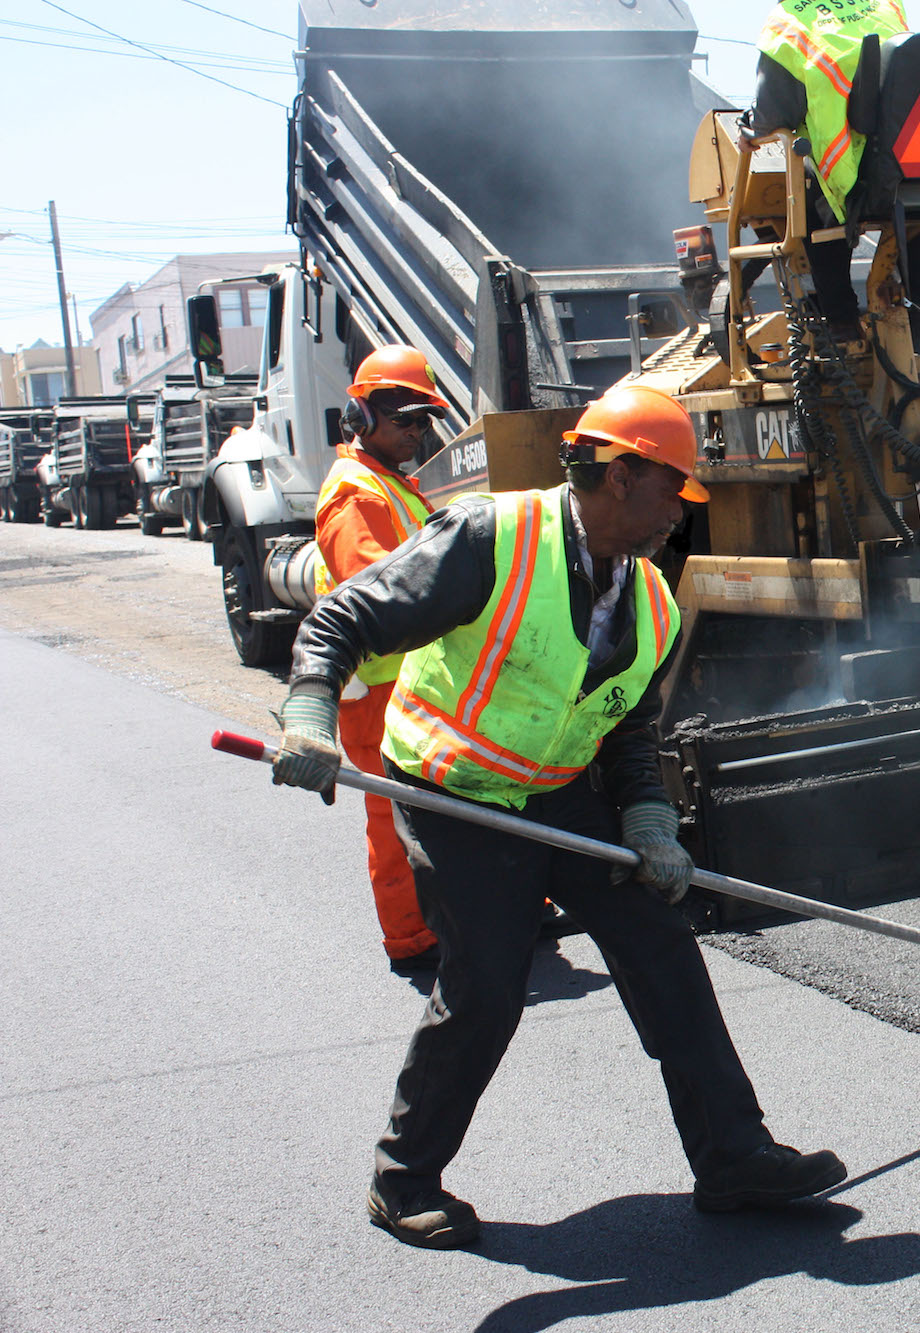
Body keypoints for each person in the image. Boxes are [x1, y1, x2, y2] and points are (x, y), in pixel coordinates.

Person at [270, 379, 845, 1248]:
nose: (679, 513)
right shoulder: (491, 538)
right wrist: (310, 712)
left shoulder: (650, 599)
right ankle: (404, 1176)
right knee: (488, 985)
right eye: (671, 491)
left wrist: (649, 820)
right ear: (619, 474)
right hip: (453, 788)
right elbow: (342, 619)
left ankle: (734, 1155)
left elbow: (627, 729)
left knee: (661, 943)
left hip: (561, 791)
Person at [315, 346, 444, 974]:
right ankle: (412, 940)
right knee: (394, 823)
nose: (418, 433)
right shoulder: (355, 495)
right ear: (362, 417)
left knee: (440, 811)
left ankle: (457, 916)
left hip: (408, 688)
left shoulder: (392, 485)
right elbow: (370, 593)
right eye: (407, 420)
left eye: (425, 421)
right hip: (377, 696)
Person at [748, 0, 920, 352]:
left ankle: (841, 326)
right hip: (910, 161)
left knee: (811, 189)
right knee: (907, 212)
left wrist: (750, 127)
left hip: (849, 165)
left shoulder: (788, 25)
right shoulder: (884, 5)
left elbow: (773, 114)